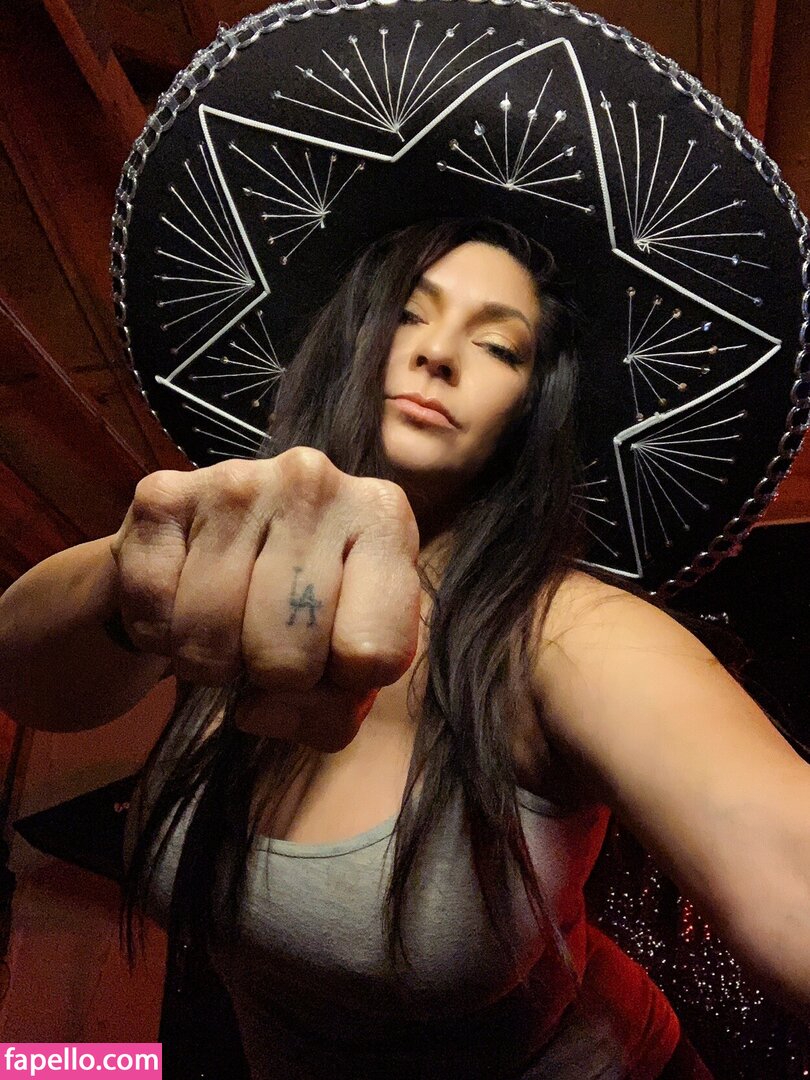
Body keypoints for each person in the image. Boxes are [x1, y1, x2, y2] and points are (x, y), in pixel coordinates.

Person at [2, 217, 808, 1079]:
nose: (439, 353)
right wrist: (138, 564)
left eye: (499, 346)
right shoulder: (241, 557)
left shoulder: (562, 634)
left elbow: (784, 862)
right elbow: (21, 677)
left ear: (530, 410)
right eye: (409, 315)